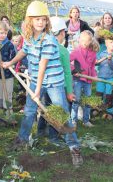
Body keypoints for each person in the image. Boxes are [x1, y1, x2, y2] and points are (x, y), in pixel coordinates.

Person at [2, 1, 83, 167]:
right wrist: (10, 62)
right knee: (29, 111)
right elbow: (24, 51)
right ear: (30, 21)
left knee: (61, 113)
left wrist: (37, 89)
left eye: (43, 19)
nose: (40, 22)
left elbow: (42, 66)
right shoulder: (30, 38)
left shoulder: (48, 40)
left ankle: (74, 147)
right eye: (36, 19)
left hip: (53, 82)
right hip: (36, 80)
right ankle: (22, 140)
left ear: (47, 22)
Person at [37, 16, 76, 145]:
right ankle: (54, 137)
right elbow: (67, 73)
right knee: (58, 111)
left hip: (44, 83)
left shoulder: (42, 45)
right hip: (58, 86)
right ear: (62, 33)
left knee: (45, 108)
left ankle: (41, 131)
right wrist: (69, 92)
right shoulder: (63, 51)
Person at [70, 30, 99, 127]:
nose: (84, 43)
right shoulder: (76, 51)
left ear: (91, 41)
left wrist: (94, 76)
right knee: (76, 99)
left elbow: (92, 66)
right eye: (83, 41)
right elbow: (67, 62)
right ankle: (73, 121)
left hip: (88, 80)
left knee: (88, 100)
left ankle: (86, 120)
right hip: (77, 80)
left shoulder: (93, 53)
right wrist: (74, 70)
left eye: (87, 41)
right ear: (79, 40)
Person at [0, 21, 16, 111]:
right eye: (1, 33)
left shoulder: (9, 45)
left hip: (8, 74)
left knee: (8, 94)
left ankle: (8, 111)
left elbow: (13, 58)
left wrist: (10, 64)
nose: (3, 35)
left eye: (5, 33)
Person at [96, 36, 113, 118]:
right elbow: (97, 63)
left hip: (111, 78)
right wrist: (98, 61)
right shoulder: (102, 53)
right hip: (101, 77)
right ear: (106, 44)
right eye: (111, 42)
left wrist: (109, 60)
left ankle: (109, 110)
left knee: (109, 94)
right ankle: (98, 108)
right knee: (99, 93)